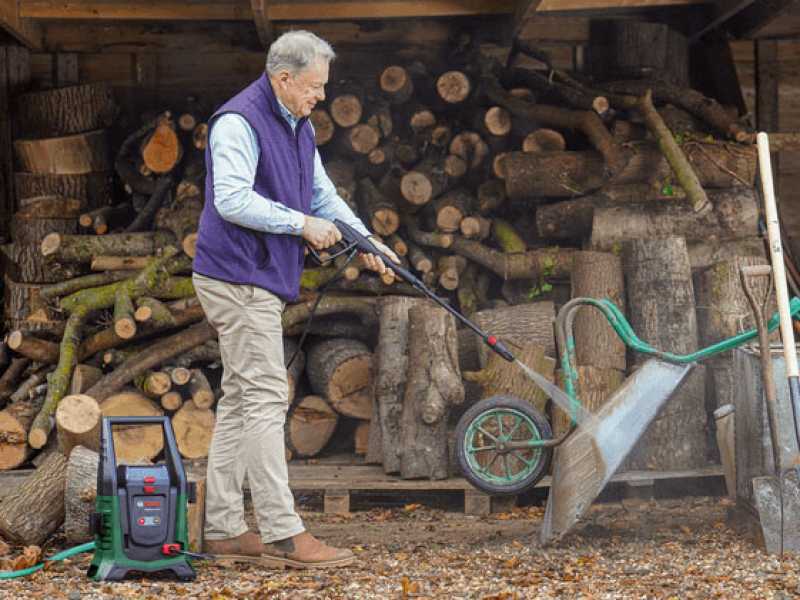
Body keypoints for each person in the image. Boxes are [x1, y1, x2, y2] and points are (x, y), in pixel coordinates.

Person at [192, 30, 398, 569]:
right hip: (236, 277)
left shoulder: (297, 124)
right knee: (264, 398)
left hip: (255, 278)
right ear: (284, 79)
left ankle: (222, 529)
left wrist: (366, 241)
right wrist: (301, 225)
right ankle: (284, 531)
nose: (322, 97)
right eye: (314, 86)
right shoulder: (238, 121)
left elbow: (321, 193)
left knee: (240, 399)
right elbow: (232, 199)